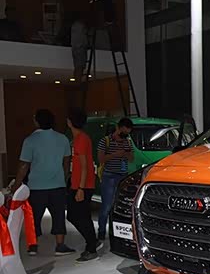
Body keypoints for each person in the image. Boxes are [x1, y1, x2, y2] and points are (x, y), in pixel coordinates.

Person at [12, 109, 74, 256]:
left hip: (36, 187)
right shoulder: (63, 139)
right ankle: (60, 245)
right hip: (58, 185)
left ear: (36, 121)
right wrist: (63, 178)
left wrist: (16, 185)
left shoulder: (30, 140)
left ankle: (33, 246)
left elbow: (24, 165)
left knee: (34, 217)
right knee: (59, 216)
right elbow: (66, 162)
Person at [66, 108, 99, 263]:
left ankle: (91, 246)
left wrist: (80, 188)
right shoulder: (81, 138)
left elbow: (85, 166)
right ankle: (92, 242)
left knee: (77, 216)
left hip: (82, 185)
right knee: (80, 215)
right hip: (79, 183)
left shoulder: (80, 140)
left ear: (70, 122)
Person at [97, 118, 133, 242]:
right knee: (106, 206)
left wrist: (126, 153)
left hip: (123, 176)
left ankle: (117, 232)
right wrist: (115, 155)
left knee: (121, 206)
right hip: (109, 176)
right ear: (118, 128)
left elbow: (131, 158)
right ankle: (101, 231)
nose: (124, 135)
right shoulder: (105, 141)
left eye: (127, 133)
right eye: (123, 132)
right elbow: (101, 159)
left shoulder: (127, 142)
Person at [70, 13, 89, 80]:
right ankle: (78, 81)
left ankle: (78, 80)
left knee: (78, 66)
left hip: (76, 48)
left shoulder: (75, 25)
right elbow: (81, 37)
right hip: (79, 48)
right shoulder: (80, 25)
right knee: (79, 66)